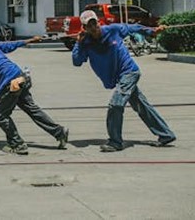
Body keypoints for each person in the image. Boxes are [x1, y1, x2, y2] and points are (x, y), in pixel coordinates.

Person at [72, 10, 176, 152]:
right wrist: (78, 43)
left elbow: (134, 28)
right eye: (88, 26)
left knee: (116, 104)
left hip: (129, 72)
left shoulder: (113, 30)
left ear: (99, 22)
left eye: (94, 23)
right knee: (142, 106)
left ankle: (115, 142)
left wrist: (152, 31)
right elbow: (77, 61)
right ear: (84, 28)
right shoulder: (86, 43)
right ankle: (166, 135)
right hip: (118, 78)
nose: (93, 27)